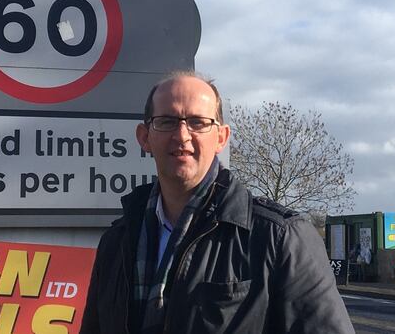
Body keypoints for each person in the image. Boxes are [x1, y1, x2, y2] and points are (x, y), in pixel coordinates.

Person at [80, 72, 354, 334]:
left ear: (221, 137)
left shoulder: (280, 237)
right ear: (144, 137)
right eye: (166, 121)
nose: (182, 135)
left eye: (198, 122)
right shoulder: (117, 241)